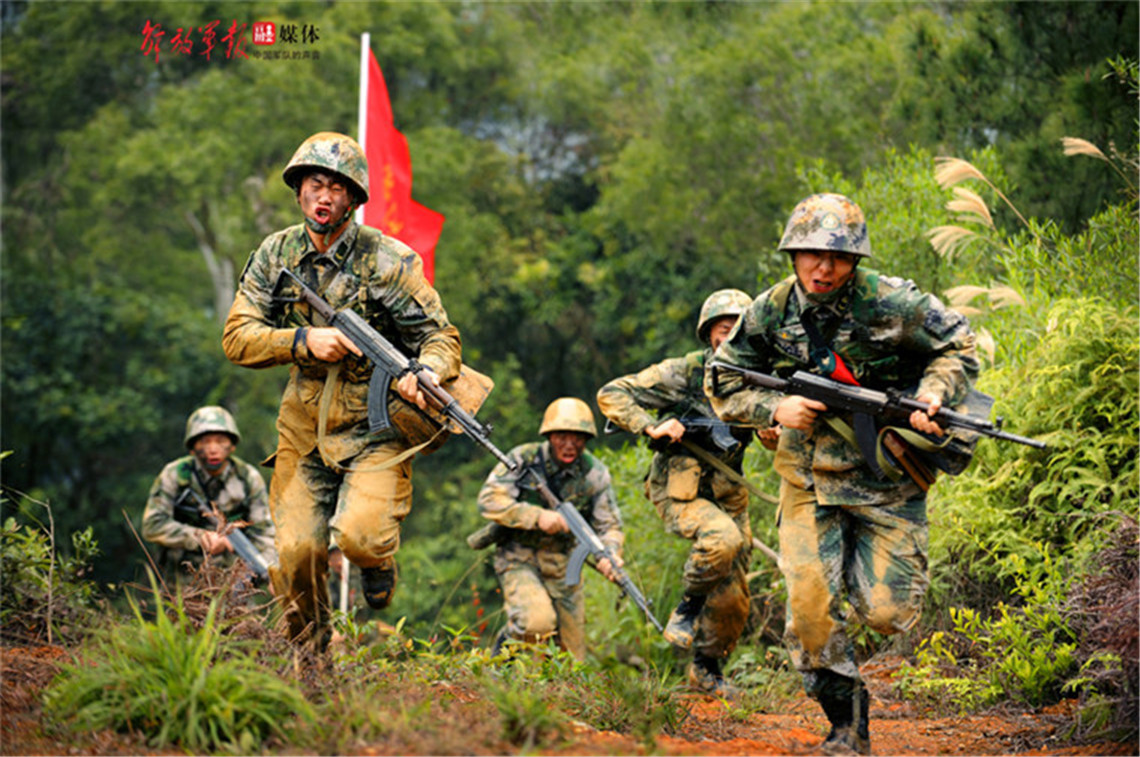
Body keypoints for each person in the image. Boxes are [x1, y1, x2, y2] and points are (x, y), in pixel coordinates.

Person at [705, 193, 979, 755]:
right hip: (807, 477)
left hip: (887, 477)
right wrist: (774, 409)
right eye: (812, 255)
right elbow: (723, 378)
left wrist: (933, 392)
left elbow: (958, 343)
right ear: (793, 254)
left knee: (888, 613)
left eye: (838, 257)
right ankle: (847, 724)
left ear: (856, 260)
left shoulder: (891, 302)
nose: (824, 268)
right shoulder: (770, 311)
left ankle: (846, 588)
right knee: (810, 610)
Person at [222, 131, 462, 649]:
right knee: (296, 555)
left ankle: (377, 559)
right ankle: (312, 661)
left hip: (377, 428)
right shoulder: (276, 253)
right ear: (299, 190)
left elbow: (440, 336)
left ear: (353, 199)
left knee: (360, 536)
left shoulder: (388, 260)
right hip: (305, 427)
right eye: (315, 184)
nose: (324, 197)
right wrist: (303, 341)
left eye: (336, 188)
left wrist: (428, 372)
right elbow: (237, 337)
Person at [597, 289, 758, 696]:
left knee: (735, 590)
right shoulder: (684, 372)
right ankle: (686, 610)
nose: (730, 337)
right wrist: (651, 426)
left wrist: (774, 432)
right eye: (724, 329)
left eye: (739, 329)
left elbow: (777, 426)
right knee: (721, 539)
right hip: (679, 487)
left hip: (727, 491)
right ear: (709, 333)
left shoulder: (759, 378)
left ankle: (707, 670)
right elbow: (612, 393)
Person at [475, 397, 625, 660]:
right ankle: (503, 653)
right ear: (549, 435)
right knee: (537, 623)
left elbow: (609, 524)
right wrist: (536, 516)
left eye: (577, 437)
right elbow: (489, 500)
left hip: (563, 566)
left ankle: (540, 684)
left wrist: (610, 553)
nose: (569, 444)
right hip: (518, 557)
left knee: (573, 660)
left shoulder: (594, 474)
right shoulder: (524, 458)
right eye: (561, 436)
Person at [142, 406, 275, 582]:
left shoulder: (248, 478)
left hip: (233, 579)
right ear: (192, 447)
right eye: (204, 442)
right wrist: (199, 537)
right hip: (180, 580)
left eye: (221, 441)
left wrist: (271, 571)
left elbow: (264, 532)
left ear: (232, 445)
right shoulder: (175, 474)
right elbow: (152, 525)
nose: (213, 449)